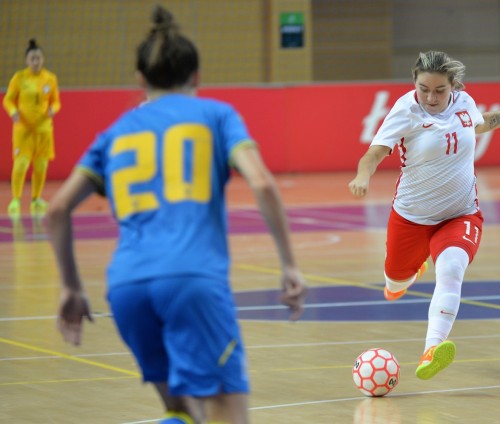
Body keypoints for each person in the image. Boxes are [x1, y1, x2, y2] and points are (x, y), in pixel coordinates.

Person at [47, 6, 307, 424]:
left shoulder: (114, 132)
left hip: (127, 288)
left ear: (140, 79)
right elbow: (261, 183)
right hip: (192, 281)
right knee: (226, 412)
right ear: (197, 77)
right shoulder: (217, 115)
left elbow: (57, 209)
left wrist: (71, 288)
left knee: (181, 412)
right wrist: (289, 265)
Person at [349, 50, 500, 380]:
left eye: (440, 90)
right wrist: (362, 176)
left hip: (461, 214)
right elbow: (375, 152)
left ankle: (432, 348)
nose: (431, 96)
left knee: (452, 270)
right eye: (424, 88)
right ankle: (414, 265)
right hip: (411, 218)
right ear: (415, 83)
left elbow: (481, 123)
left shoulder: (464, 103)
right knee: (394, 285)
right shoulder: (406, 110)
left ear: (453, 86)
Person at [3, 38, 61, 219]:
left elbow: (56, 101)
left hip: (44, 130)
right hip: (23, 129)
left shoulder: (50, 79)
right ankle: (16, 199)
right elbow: (8, 99)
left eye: (38, 58)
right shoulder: (19, 78)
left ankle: (36, 199)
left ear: (42, 59)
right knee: (21, 164)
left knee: (41, 165)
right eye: (32, 59)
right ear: (27, 61)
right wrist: (13, 111)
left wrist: (54, 109)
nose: (36, 62)